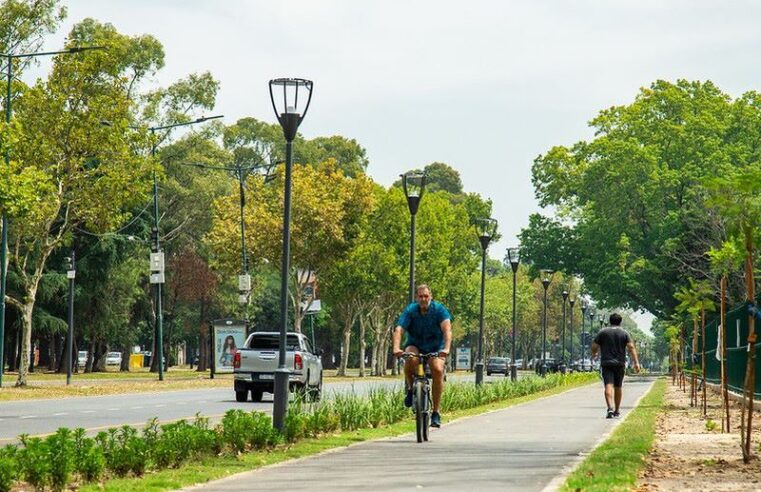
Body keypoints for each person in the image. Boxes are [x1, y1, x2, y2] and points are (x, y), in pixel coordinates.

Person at [393, 284, 452, 428]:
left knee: (437, 369)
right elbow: (399, 329)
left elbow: (447, 330)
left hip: (435, 347)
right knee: (410, 358)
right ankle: (410, 389)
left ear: (430, 296)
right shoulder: (411, 310)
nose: (423, 299)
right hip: (415, 344)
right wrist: (396, 347)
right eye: (420, 296)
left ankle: (436, 412)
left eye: (426, 296)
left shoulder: (439, 310)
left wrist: (446, 348)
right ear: (416, 297)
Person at [591, 313, 640, 418]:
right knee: (618, 386)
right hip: (619, 363)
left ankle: (609, 408)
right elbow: (631, 347)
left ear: (610, 321)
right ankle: (617, 410)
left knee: (608, 385)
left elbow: (594, 345)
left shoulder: (602, 332)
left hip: (606, 363)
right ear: (620, 322)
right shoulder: (624, 333)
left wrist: (595, 353)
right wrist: (636, 362)